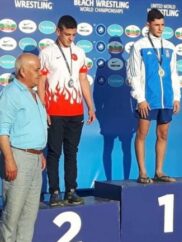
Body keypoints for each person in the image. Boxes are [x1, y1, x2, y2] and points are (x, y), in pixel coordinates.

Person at [38, 15, 96, 206]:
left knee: (72, 152)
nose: (71, 38)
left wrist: (90, 106)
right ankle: (54, 192)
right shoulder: (47, 52)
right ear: (58, 31)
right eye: (67, 34)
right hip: (54, 111)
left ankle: (71, 190)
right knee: (54, 152)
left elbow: (82, 80)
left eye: (73, 35)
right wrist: (43, 107)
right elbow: (41, 82)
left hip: (75, 112)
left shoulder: (79, 52)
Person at [127, 8, 181, 184]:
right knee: (142, 133)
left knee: (163, 134)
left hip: (166, 99)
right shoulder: (139, 46)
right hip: (148, 99)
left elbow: (174, 73)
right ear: (148, 24)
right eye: (156, 25)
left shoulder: (171, 47)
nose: (160, 28)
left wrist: (177, 97)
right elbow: (133, 74)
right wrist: (140, 98)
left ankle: (159, 171)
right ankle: (143, 172)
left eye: (162, 25)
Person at [0, 53, 47, 242]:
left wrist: (39, 153)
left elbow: (31, 126)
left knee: (29, 216)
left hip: (35, 159)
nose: (40, 73)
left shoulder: (33, 93)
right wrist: (9, 160)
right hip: (18, 158)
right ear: (22, 71)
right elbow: (2, 130)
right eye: (36, 69)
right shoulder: (11, 93)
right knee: (12, 215)